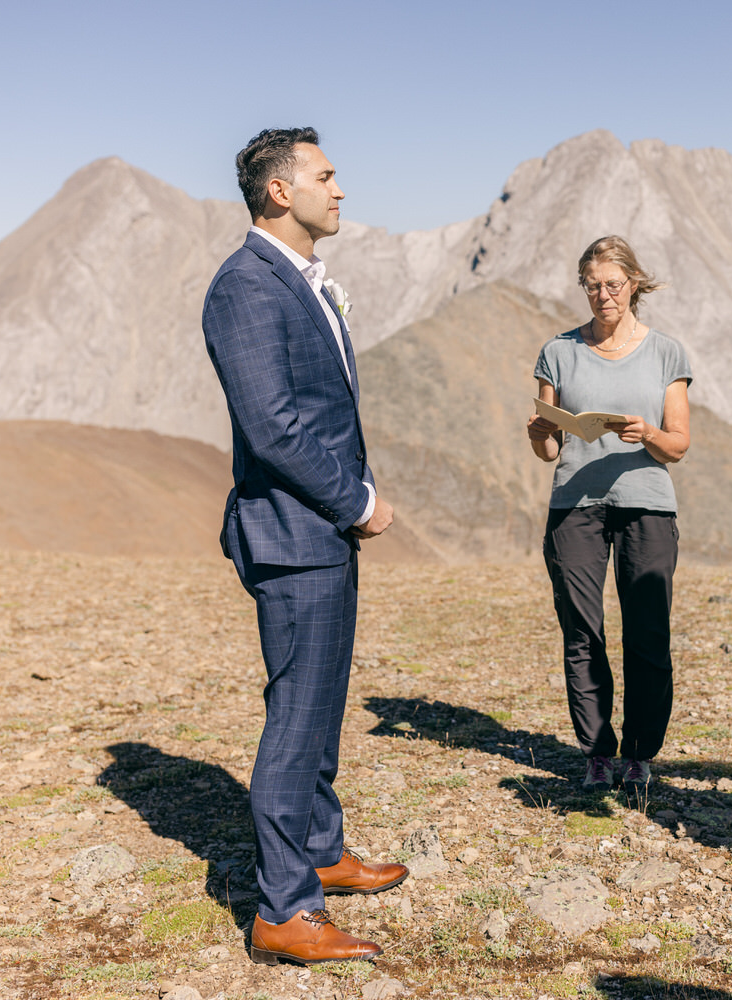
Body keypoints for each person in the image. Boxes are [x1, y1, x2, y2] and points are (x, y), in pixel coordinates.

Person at [202, 127, 408, 965]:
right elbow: (274, 426)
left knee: (321, 708)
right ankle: (283, 909)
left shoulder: (298, 278)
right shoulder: (245, 286)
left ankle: (322, 852)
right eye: (326, 175)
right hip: (294, 533)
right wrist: (356, 500)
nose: (341, 189)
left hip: (316, 533)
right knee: (294, 722)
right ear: (280, 191)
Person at [526, 236, 692, 793]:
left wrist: (646, 433)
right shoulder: (558, 352)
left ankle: (641, 753)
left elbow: (679, 445)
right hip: (574, 504)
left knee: (648, 632)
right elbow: (550, 450)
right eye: (593, 286)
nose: (603, 295)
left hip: (647, 502)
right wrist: (541, 434)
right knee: (581, 630)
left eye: (613, 284)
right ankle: (597, 753)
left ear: (634, 285)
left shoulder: (667, 353)